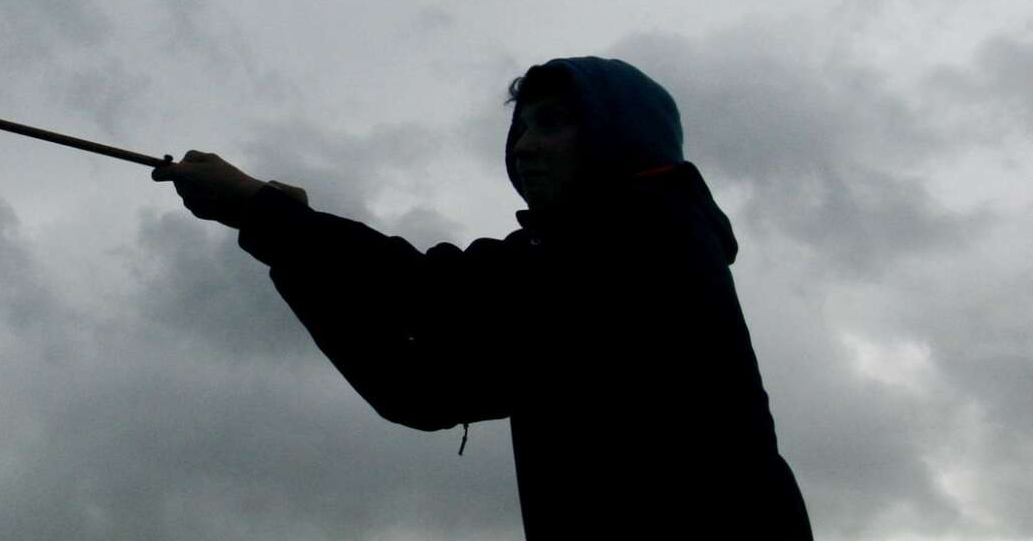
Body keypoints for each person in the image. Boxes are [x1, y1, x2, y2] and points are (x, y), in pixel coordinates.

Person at [153, 56, 813, 539]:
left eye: (553, 124)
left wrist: (265, 213)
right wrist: (282, 243)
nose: (524, 147)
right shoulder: (563, 282)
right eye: (519, 130)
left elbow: (436, 292)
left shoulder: (652, 227)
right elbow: (416, 390)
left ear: (625, 135)